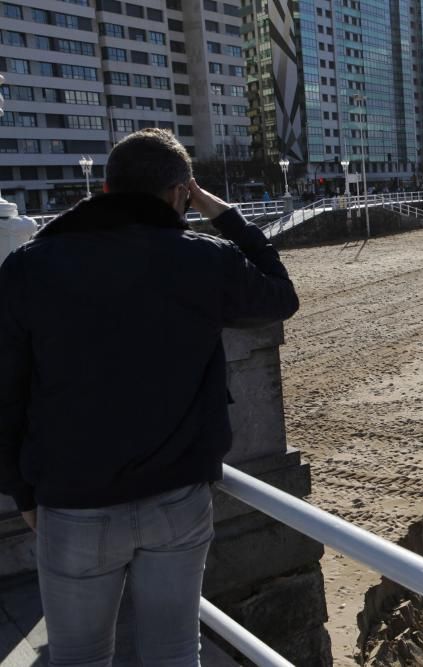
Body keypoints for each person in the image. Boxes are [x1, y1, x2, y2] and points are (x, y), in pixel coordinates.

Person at [0, 128, 299, 665]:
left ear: (106, 191)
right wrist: (224, 214)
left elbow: (6, 391)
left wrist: (21, 491)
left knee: (78, 656)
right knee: (175, 650)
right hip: (176, 498)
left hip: (72, 503)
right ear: (180, 193)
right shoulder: (204, 259)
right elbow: (279, 296)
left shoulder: (27, 268)